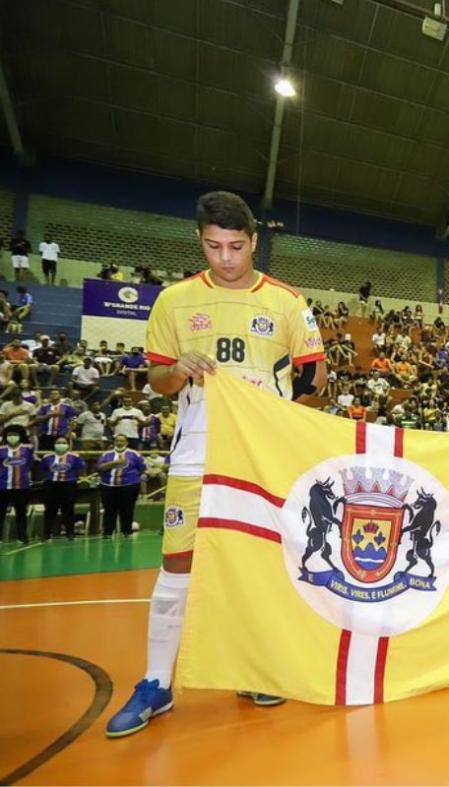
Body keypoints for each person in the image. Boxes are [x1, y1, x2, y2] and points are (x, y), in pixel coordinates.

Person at [104, 190, 326, 738]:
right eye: (213, 246)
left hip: (261, 458)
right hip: (197, 451)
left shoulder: (288, 302)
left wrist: (278, 421)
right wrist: (177, 369)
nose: (225, 258)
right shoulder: (174, 301)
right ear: (200, 242)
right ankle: (157, 683)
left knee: (256, 562)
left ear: (254, 242)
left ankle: (250, 668)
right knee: (178, 564)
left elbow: (316, 383)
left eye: (235, 246)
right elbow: (157, 381)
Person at [97, 433, 148, 538]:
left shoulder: (134, 454)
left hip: (129, 486)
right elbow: (99, 468)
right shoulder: (106, 454)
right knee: (109, 510)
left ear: (126, 442)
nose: (119, 442)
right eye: (117, 440)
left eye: (122, 441)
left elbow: (142, 468)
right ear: (114, 442)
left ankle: (127, 532)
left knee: (127, 510)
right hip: (108, 486)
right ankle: (107, 533)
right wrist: (115, 463)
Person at [39, 437, 86, 541]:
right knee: (50, 510)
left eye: (64, 442)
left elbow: (80, 470)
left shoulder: (75, 456)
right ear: (54, 444)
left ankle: (70, 534)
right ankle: (47, 534)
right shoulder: (47, 456)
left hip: (69, 485)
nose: (61, 444)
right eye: (58, 442)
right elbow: (43, 469)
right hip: (51, 485)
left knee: (68, 510)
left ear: (68, 444)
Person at [0, 425, 35, 543]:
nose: (12, 437)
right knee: (0, 513)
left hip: (22, 486)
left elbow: (29, 464)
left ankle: (22, 536)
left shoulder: (28, 448)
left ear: (20, 436)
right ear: (5, 436)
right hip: (3, 486)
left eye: (15, 434)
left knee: (21, 512)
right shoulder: (1, 449)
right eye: (9, 435)